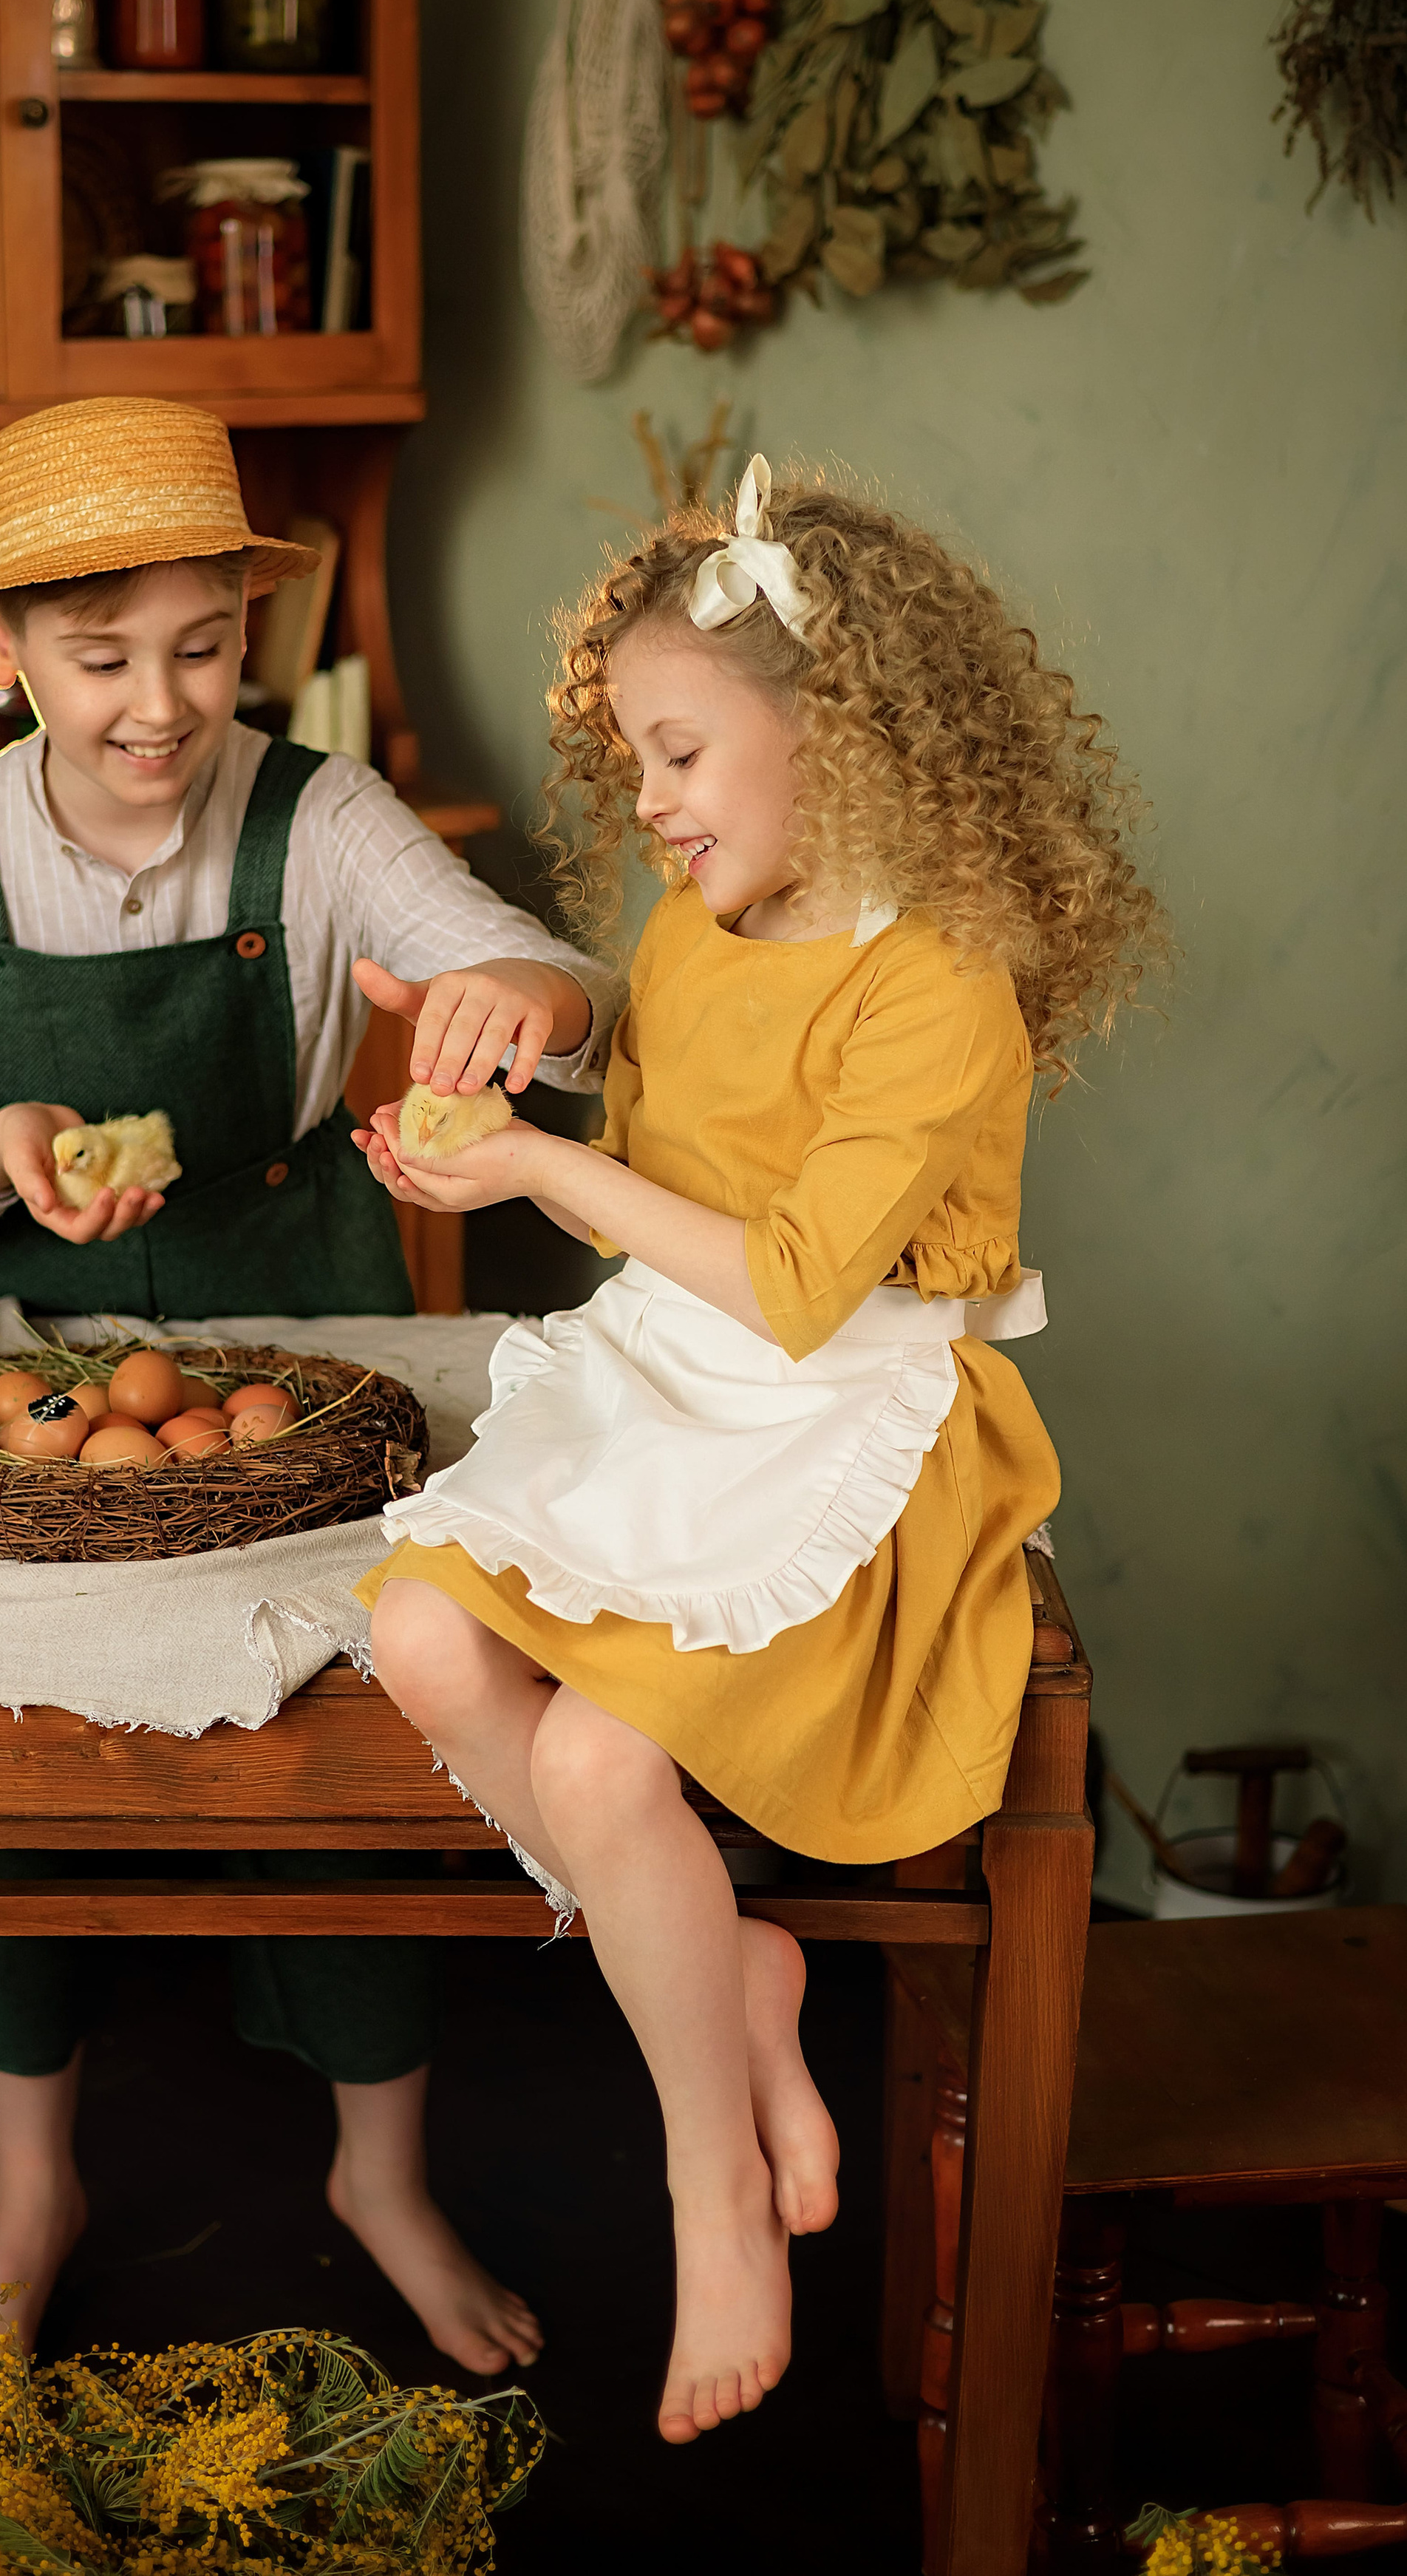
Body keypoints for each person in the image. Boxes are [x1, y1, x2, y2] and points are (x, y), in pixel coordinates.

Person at [351, 458, 1164, 2443]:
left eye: (682, 751)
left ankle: (713, 2174)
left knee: (613, 1757)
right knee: (425, 1640)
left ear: (840, 742)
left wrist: (534, 1165)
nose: (650, 800)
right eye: (635, 757)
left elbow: (803, 1288)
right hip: (666, 1377)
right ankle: (746, 1982)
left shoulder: (938, 981)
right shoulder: (712, 919)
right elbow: (659, 1101)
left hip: (845, 1411)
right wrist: (523, 1053)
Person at [0, 395, 619, 2366]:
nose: (160, 704)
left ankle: (383, 2175)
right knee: (3, 1757)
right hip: (16, 1362)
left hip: (311, 1321)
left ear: (248, 632)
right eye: (100, 659)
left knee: (344, 1750)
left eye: (201, 646)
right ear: (2, 654)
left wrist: (530, 1002)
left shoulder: (325, 813)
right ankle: (35, 2184)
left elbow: (547, 985)